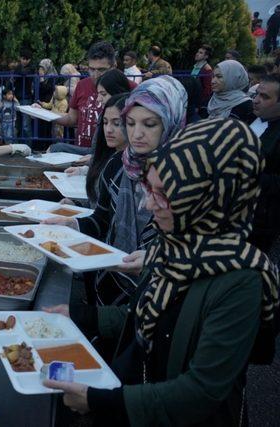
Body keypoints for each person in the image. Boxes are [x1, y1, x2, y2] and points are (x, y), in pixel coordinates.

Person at [44, 118, 280, 426]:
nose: (147, 203)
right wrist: (77, 315)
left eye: (163, 194)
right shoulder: (173, 246)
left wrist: (98, 401)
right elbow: (143, 316)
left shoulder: (241, 281)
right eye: (148, 189)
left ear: (206, 195)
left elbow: (200, 393)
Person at [49, 77, 187, 306]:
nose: (137, 134)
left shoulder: (188, 177)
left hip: (163, 299)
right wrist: (72, 225)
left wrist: (155, 261)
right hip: (110, 287)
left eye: (149, 124)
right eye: (131, 124)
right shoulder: (116, 166)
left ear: (170, 121)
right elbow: (102, 219)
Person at [52, 41, 119, 153]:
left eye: (102, 70)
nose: (95, 75)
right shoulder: (82, 85)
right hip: (80, 151)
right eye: (91, 69)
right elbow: (71, 119)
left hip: (108, 155)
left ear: (114, 66)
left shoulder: (129, 88)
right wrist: (44, 113)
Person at [49, 68, 131, 155]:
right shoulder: (102, 115)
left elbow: (97, 154)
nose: (99, 99)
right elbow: (96, 152)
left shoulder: (130, 114)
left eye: (116, 123)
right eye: (105, 122)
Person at [249, 73, 280, 253]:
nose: (256, 100)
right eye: (257, 94)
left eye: (265, 96)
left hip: (260, 222)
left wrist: (249, 174)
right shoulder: (251, 118)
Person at [15, 50, 36, 144]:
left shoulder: (31, 68)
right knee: (18, 124)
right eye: (22, 58)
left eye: (25, 59)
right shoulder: (18, 68)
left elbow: (23, 72)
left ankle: (28, 146)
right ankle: (19, 146)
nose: (23, 61)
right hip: (17, 97)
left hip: (26, 98)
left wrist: (16, 70)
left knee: (25, 125)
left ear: (29, 60)